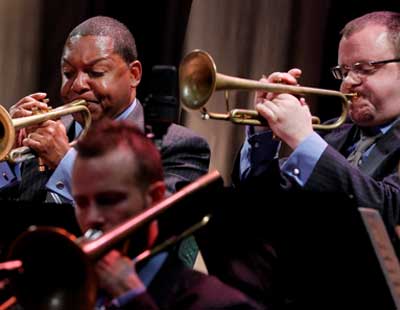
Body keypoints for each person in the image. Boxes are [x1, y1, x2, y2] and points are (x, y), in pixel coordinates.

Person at [0, 16, 210, 205]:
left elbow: (152, 226)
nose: (78, 85)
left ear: (134, 74)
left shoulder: (180, 147)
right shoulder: (45, 135)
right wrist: (7, 155)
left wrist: (67, 163)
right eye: (68, 73)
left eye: (96, 72)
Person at [238, 10, 400, 242]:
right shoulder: (332, 132)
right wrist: (263, 134)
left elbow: (390, 208)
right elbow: (264, 204)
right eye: (343, 72)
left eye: (364, 68)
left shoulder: (314, 141)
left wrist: (304, 140)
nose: (348, 82)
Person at [70, 118, 260, 309]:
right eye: (81, 203)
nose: (92, 217)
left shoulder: (219, 303)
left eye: (109, 200)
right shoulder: (70, 287)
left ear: (155, 196)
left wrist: (131, 297)